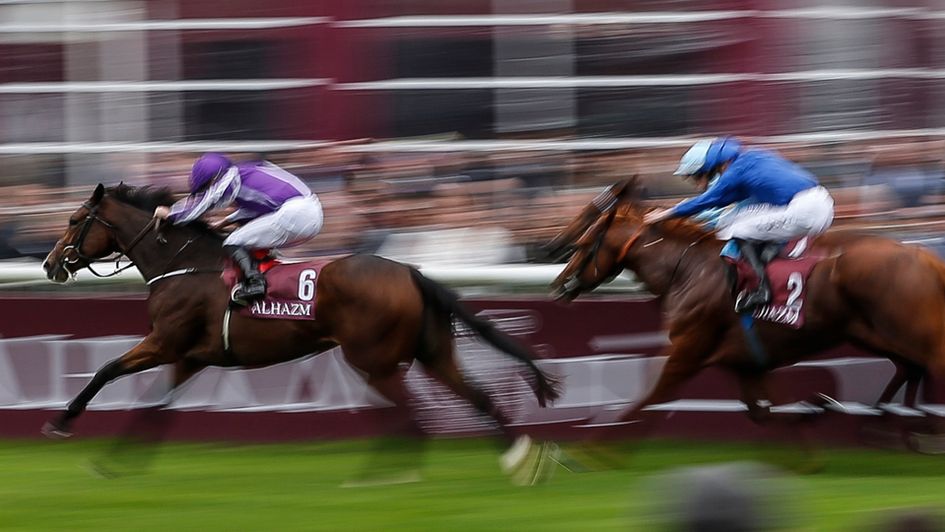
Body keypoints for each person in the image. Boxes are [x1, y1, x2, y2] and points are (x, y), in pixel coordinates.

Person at [644, 137, 834, 313]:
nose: (699, 183)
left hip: (805, 211)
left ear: (709, 168)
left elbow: (708, 200)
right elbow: (721, 201)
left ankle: (762, 290)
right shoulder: (751, 158)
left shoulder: (736, 170)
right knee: (744, 220)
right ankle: (771, 254)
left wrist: (667, 214)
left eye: (697, 177)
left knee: (736, 229)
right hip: (821, 203)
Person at [154, 153, 323, 304]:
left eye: (205, 189)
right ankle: (269, 273)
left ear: (213, 179)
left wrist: (170, 213)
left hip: (295, 213)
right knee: (248, 238)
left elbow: (203, 205)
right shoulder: (244, 173)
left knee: (232, 242)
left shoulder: (228, 178)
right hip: (309, 212)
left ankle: (256, 284)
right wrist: (225, 222)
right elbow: (258, 207)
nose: (206, 192)